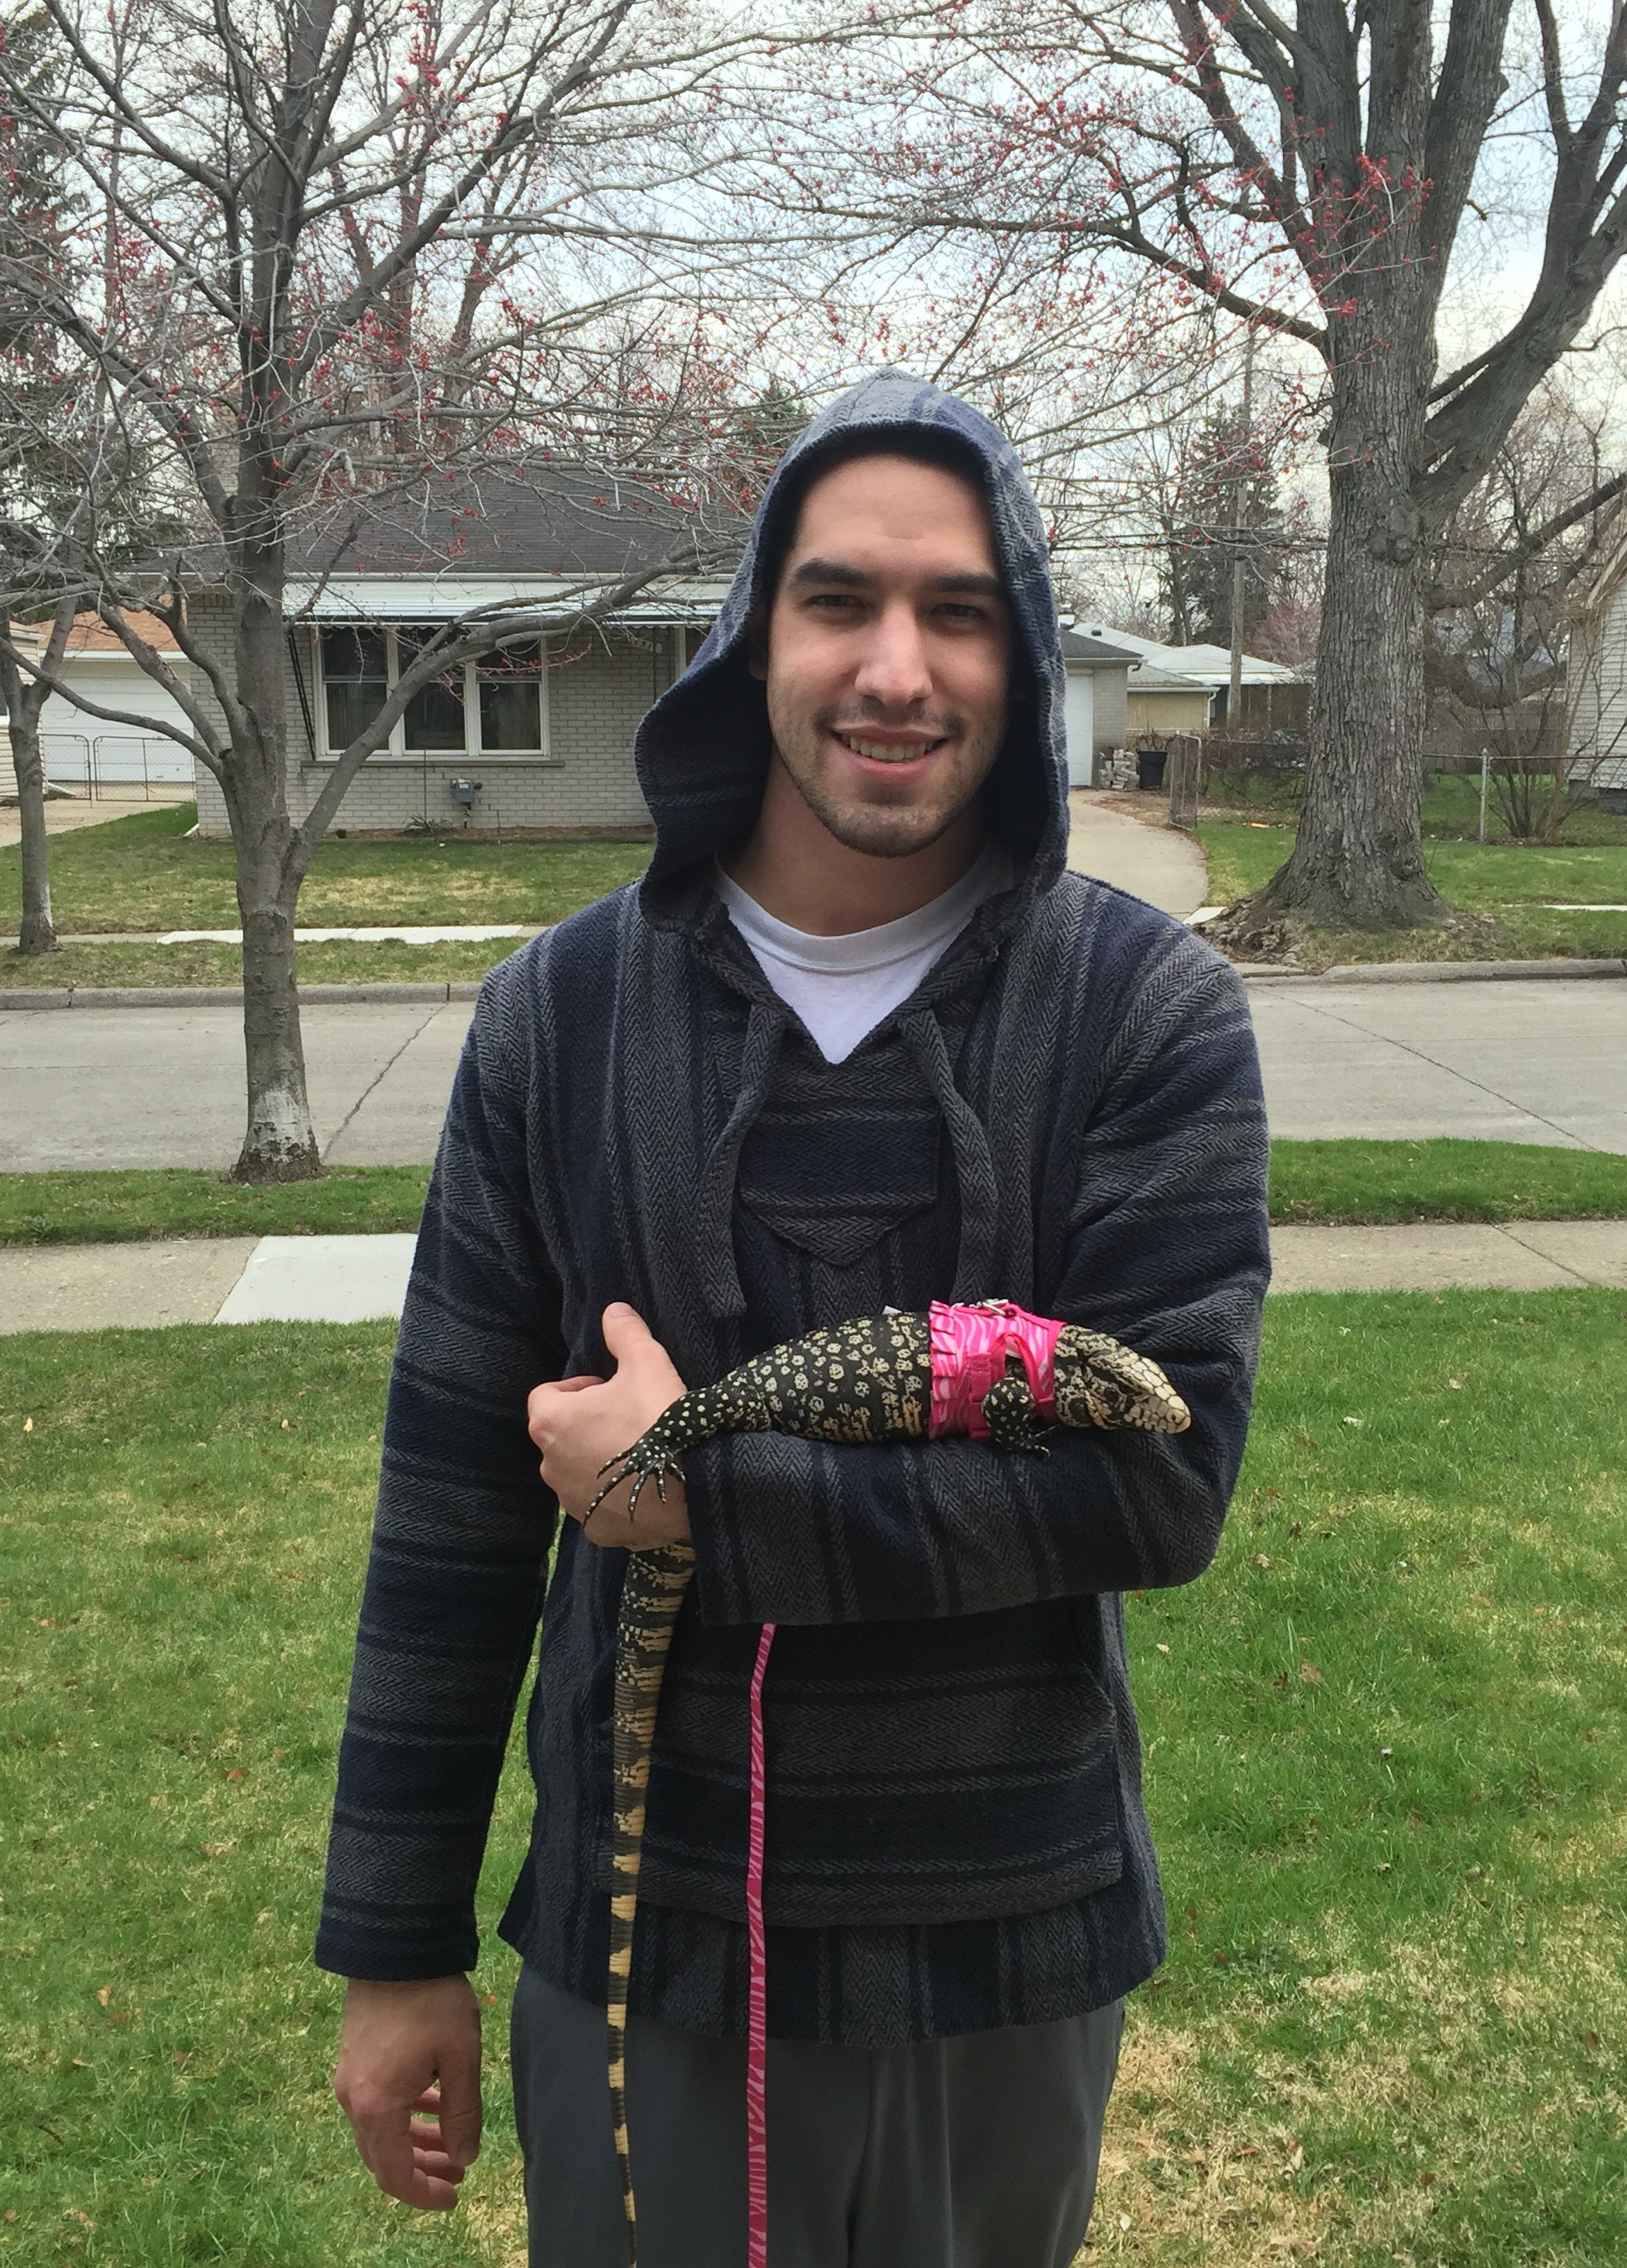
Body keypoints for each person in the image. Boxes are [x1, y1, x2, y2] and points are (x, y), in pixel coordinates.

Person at [320, 370, 1271, 2268]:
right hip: (638, 1940)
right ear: (757, 636)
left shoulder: (1143, 1014)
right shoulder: (556, 1020)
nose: (896, 667)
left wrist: (700, 1507)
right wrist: (395, 1945)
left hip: (1008, 1933)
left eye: (961, 609)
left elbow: (1156, 1487)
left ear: (1026, 656)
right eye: (840, 600)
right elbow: (450, 1507)